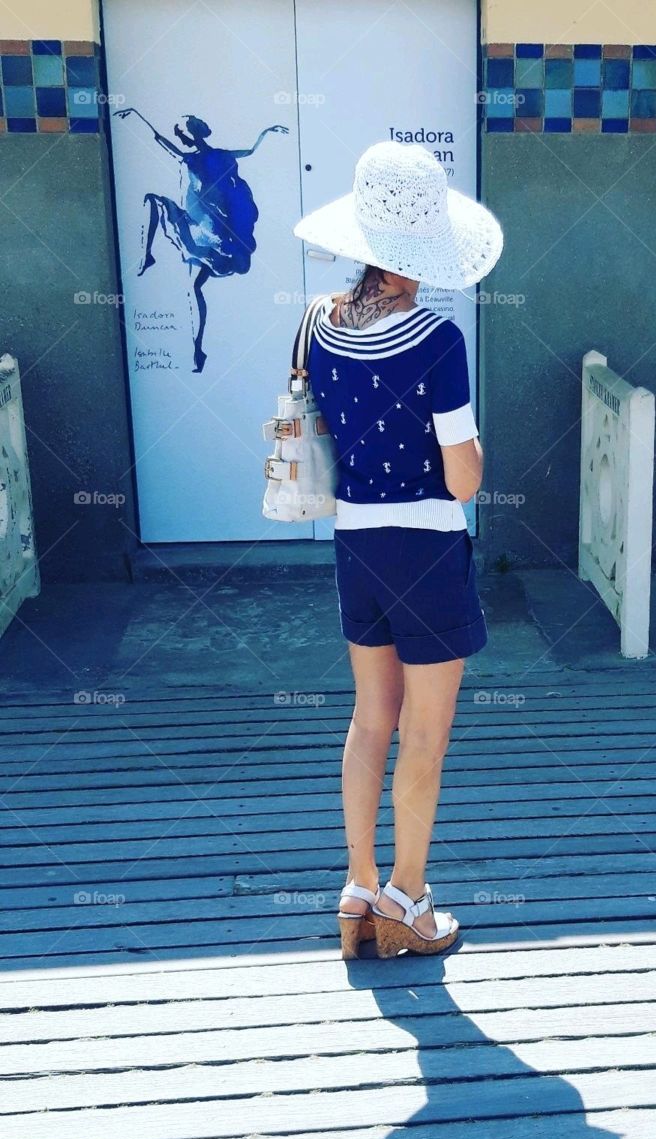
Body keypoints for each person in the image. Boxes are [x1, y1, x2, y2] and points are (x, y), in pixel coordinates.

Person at [292, 141, 503, 958]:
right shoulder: (438, 340)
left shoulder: (317, 322)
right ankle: (408, 904)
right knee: (425, 735)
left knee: (369, 719)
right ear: (425, 248)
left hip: (356, 546)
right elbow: (462, 480)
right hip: (427, 553)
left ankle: (356, 887)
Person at [114, 108, 288, 372]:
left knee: (152, 201)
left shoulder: (189, 160)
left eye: (181, 133)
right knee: (194, 287)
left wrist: (138, 115)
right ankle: (198, 351)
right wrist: (267, 132)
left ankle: (147, 256)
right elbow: (251, 151)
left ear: (189, 135)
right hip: (224, 239)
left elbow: (158, 139)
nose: (180, 137)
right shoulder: (223, 155)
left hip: (203, 235)